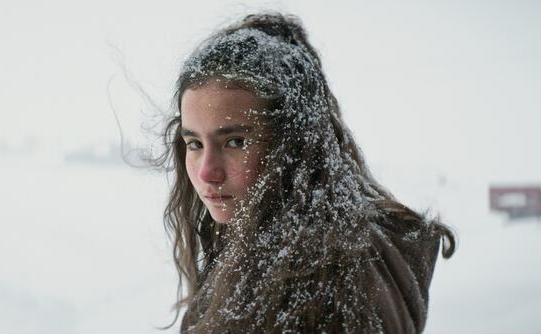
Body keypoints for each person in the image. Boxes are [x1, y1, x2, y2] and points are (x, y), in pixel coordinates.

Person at [153, 12, 456, 333]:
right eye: (195, 143)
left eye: (235, 142)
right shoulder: (337, 250)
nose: (206, 173)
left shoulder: (315, 292)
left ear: (294, 145)